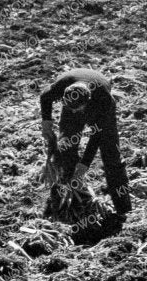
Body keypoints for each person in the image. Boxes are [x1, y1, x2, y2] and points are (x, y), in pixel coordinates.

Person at [39, 68, 130, 233]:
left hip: (101, 107)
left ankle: (124, 208)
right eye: (70, 107)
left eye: (77, 109)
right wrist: (46, 121)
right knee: (66, 147)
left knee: (111, 156)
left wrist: (84, 165)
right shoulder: (64, 88)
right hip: (74, 99)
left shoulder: (103, 102)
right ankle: (63, 201)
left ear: (86, 103)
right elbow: (45, 96)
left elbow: (97, 136)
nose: (74, 112)